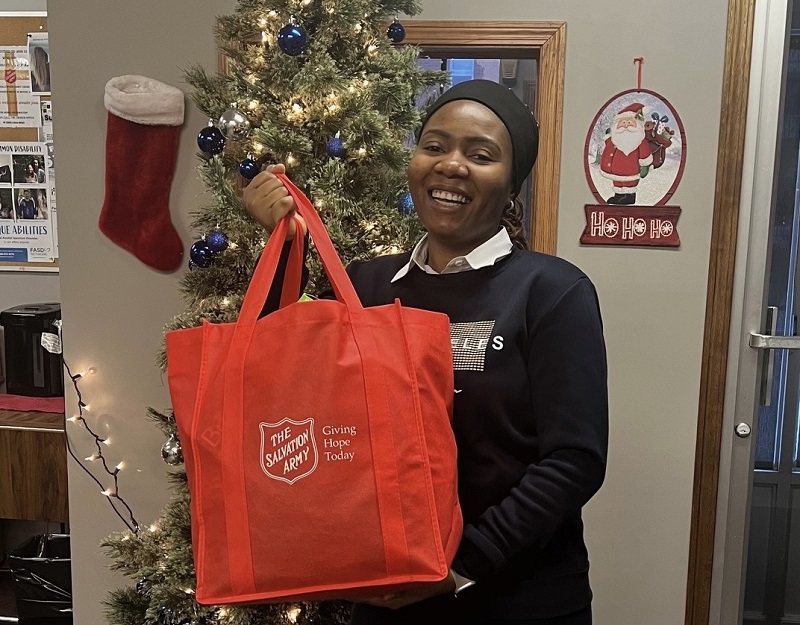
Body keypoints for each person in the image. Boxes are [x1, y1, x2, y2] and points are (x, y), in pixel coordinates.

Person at [243, 79, 608, 625]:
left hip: (519, 601)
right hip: (385, 600)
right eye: (434, 146)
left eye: (480, 155)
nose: (451, 165)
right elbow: (290, 391)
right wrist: (282, 241)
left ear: (512, 187)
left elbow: (574, 461)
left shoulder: (551, 292)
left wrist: (458, 567)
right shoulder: (365, 285)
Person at [599, 103, 653, 205]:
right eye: (623, 122)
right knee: (617, 182)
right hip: (615, 170)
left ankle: (629, 197)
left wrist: (645, 165)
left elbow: (645, 154)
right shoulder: (614, 138)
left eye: (630, 122)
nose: (626, 126)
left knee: (629, 184)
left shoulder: (640, 140)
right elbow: (609, 148)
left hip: (631, 170)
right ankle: (618, 195)